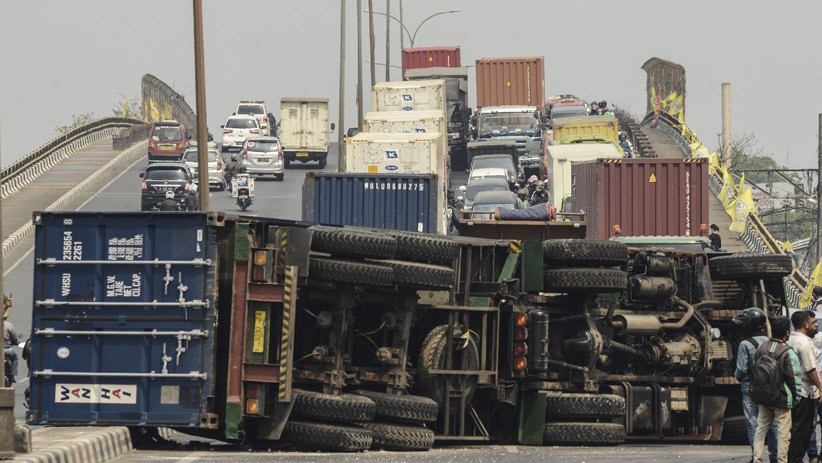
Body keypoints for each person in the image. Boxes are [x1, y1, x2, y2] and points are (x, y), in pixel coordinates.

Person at [753, 317, 801, 463]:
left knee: (760, 430)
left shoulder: (761, 348)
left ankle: (757, 459)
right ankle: (781, 461)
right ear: (787, 333)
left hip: (763, 397)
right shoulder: (788, 352)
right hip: (782, 398)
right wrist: (797, 398)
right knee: (783, 434)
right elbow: (794, 379)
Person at [734, 307, 778, 463]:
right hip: (771, 388)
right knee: (772, 423)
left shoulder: (745, 344)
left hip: (750, 389)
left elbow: (741, 369)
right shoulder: (771, 343)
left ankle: (756, 457)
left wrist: (738, 378)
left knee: (753, 423)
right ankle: (775, 457)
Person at [787, 310, 822, 463]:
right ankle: (796, 459)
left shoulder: (789, 340)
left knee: (794, 428)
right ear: (805, 324)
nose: (816, 326)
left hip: (792, 390)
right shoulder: (804, 343)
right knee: (803, 430)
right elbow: (810, 369)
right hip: (805, 392)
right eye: (813, 323)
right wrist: (821, 388)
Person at [3, 295, 19, 380]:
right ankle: (13, 374)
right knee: (15, 358)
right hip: (7, 349)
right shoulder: (8, 325)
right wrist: (16, 342)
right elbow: (15, 339)